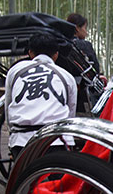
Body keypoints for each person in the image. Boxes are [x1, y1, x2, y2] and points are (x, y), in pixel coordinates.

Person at [5, 31, 77, 160]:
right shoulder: (66, 76)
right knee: (59, 179)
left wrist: (12, 136)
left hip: (21, 141)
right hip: (57, 141)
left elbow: (9, 106)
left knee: (25, 178)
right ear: (56, 55)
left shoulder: (15, 70)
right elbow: (71, 114)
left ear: (30, 52)